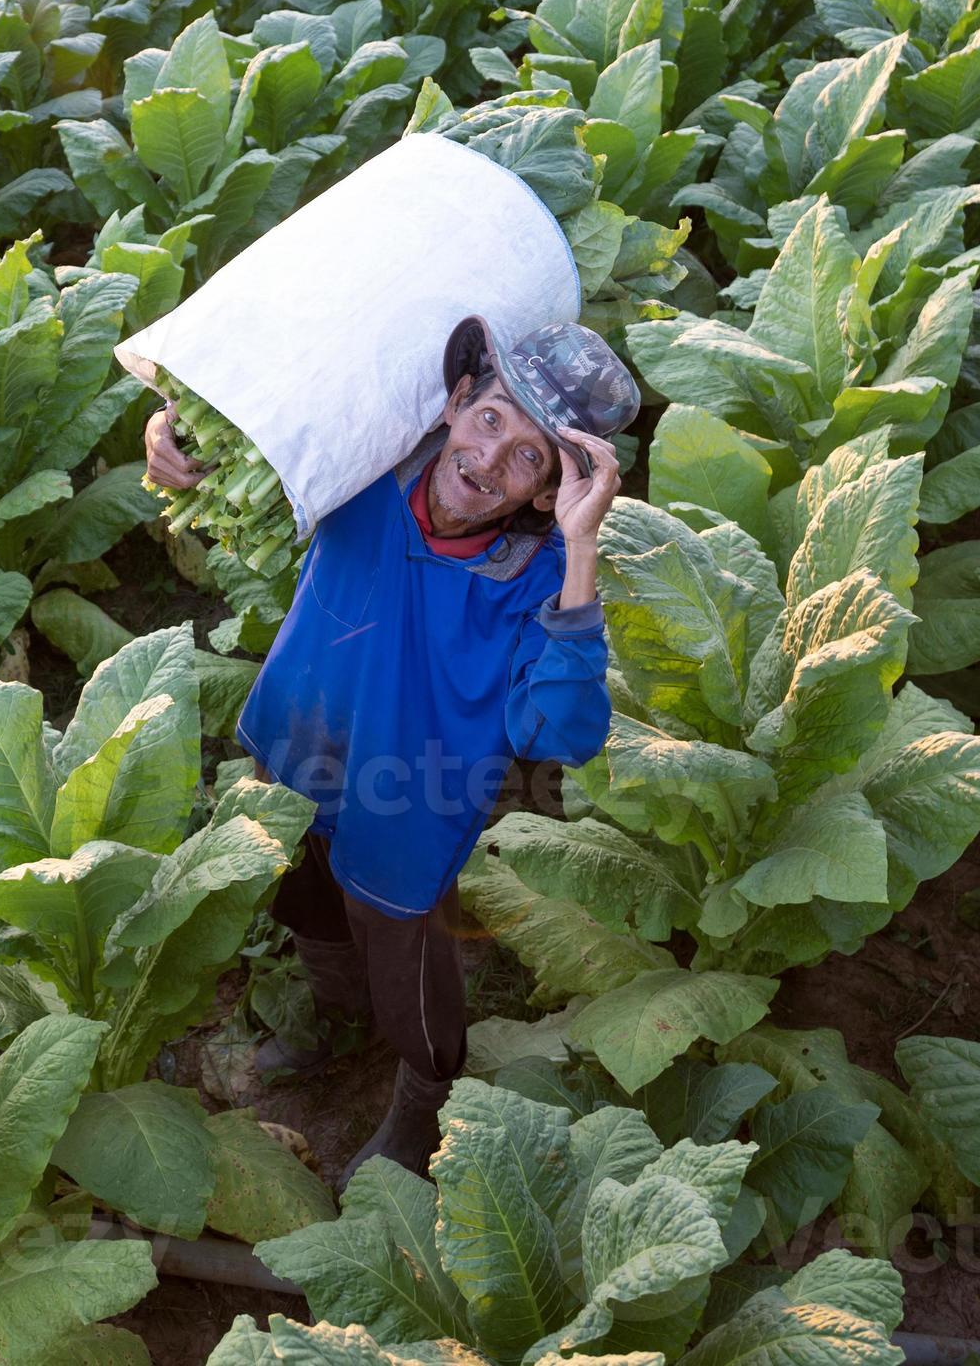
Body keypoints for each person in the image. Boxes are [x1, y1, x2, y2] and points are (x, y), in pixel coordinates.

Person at [143, 313, 635, 1185]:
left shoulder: (539, 580)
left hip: (410, 795)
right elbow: (231, 458)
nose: (489, 461)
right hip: (300, 740)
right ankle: (332, 1018)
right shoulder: (361, 467)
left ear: (546, 492)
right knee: (300, 890)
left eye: (529, 458)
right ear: (453, 403)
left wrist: (584, 545)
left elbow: (558, 733)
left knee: (402, 952)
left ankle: (422, 1097)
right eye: (491, 420)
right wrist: (169, 440)